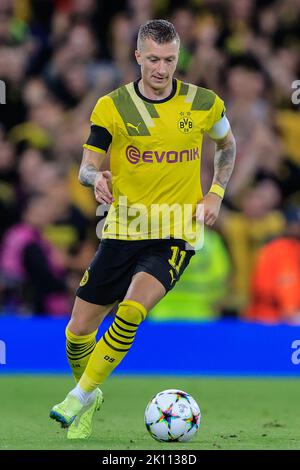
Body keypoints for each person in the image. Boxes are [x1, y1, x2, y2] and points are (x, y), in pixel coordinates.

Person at [49, 19, 236, 439]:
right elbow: (87, 164)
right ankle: (91, 391)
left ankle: (78, 397)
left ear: (178, 59)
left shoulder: (203, 103)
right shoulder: (112, 106)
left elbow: (227, 145)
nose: (161, 68)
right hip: (122, 228)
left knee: (132, 309)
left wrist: (216, 192)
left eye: (169, 60)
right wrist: (93, 179)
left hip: (176, 232)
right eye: (153, 59)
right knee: (77, 332)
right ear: (137, 56)